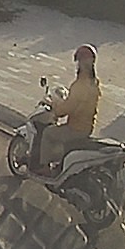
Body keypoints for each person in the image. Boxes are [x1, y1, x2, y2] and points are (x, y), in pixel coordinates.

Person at [33, 44, 102, 175]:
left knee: (48, 133)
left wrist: (55, 107)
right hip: (87, 127)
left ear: (81, 63)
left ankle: (46, 167)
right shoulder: (94, 83)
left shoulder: (80, 85)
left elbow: (66, 109)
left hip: (76, 128)